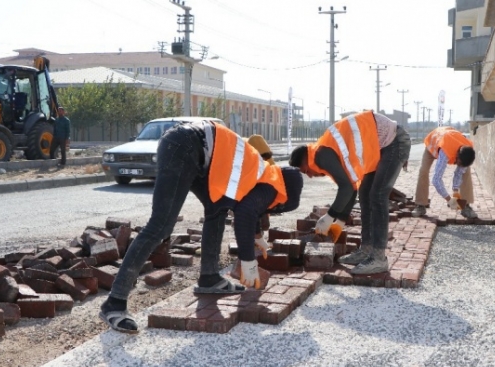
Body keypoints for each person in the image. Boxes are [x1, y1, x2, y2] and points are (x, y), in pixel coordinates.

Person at [99, 120, 304, 333]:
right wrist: (248, 261)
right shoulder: (271, 185)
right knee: (160, 225)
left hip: (195, 148)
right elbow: (246, 213)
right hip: (185, 146)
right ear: (283, 199)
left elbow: (250, 207)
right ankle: (114, 302)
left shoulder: (263, 174)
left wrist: (257, 235)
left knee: (216, 210)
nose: (271, 209)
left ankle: (210, 277)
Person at [289, 110, 410, 275]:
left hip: (394, 142)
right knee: (365, 194)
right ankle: (367, 250)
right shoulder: (326, 152)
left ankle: (379, 259)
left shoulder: (320, 155)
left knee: (378, 195)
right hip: (380, 148)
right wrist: (340, 222)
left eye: (306, 170)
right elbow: (351, 187)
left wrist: (329, 217)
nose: (310, 175)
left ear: (306, 160)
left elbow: (345, 187)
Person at [411, 126, 478, 219]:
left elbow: (459, 173)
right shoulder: (446, 152)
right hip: (433, 145)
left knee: (466, 172)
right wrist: (449, 200)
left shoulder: (468, 149)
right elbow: (436, 179)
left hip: (449, 139)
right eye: (459, 163)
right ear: (457, 156)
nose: (459, 166)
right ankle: (420, 205)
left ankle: (465, 206)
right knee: (423, 171)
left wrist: (455, 192)